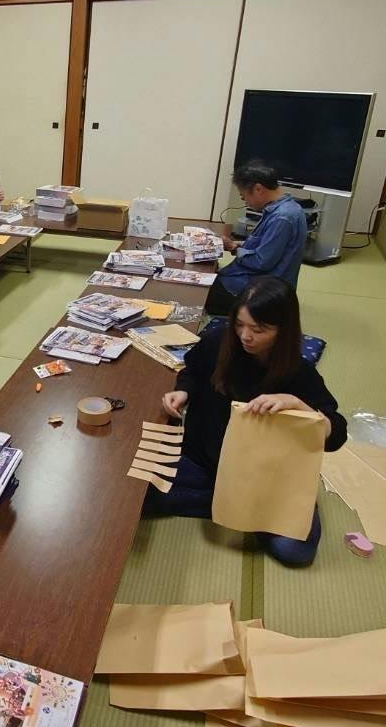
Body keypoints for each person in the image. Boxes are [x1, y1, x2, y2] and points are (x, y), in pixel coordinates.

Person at [147, 276, 346, 567]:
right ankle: (229, 504)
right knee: (135, 495)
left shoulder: (298, 372)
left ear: (283, 329)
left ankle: (232, 504)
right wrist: (183, 392)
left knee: (294, 550)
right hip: (205, 459)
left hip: (262, 475)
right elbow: (192, 370)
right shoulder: (219, 341)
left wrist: (300, 406)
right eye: (239, 324)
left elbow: (336, 432)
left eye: (259, 329)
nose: (245, 336)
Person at [205, 161, 309, 317]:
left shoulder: (282, 218)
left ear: (258, 189)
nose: (245, 201)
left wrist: (233, 247)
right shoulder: (285, 208)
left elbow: (261, 261)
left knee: (197, 291)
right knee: (206, 275)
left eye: (244, 196)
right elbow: (264, 245)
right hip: (257, 280)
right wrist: (236, 244)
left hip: (260, 292)